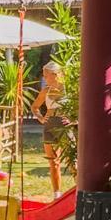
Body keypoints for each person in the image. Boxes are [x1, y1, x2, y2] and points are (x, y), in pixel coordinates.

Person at [31, 60, 67, 200]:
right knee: (53, 161)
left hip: (65, 126)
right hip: (50, 125)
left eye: (46, 75)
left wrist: (74, 120)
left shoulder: (68, 88)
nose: (44, 78)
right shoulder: (46, 90)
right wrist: (41, 118)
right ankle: (57, 194)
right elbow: (34, 107)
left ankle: (78, 193)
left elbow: (80, 107)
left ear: (55, 74)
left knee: (73, 162)